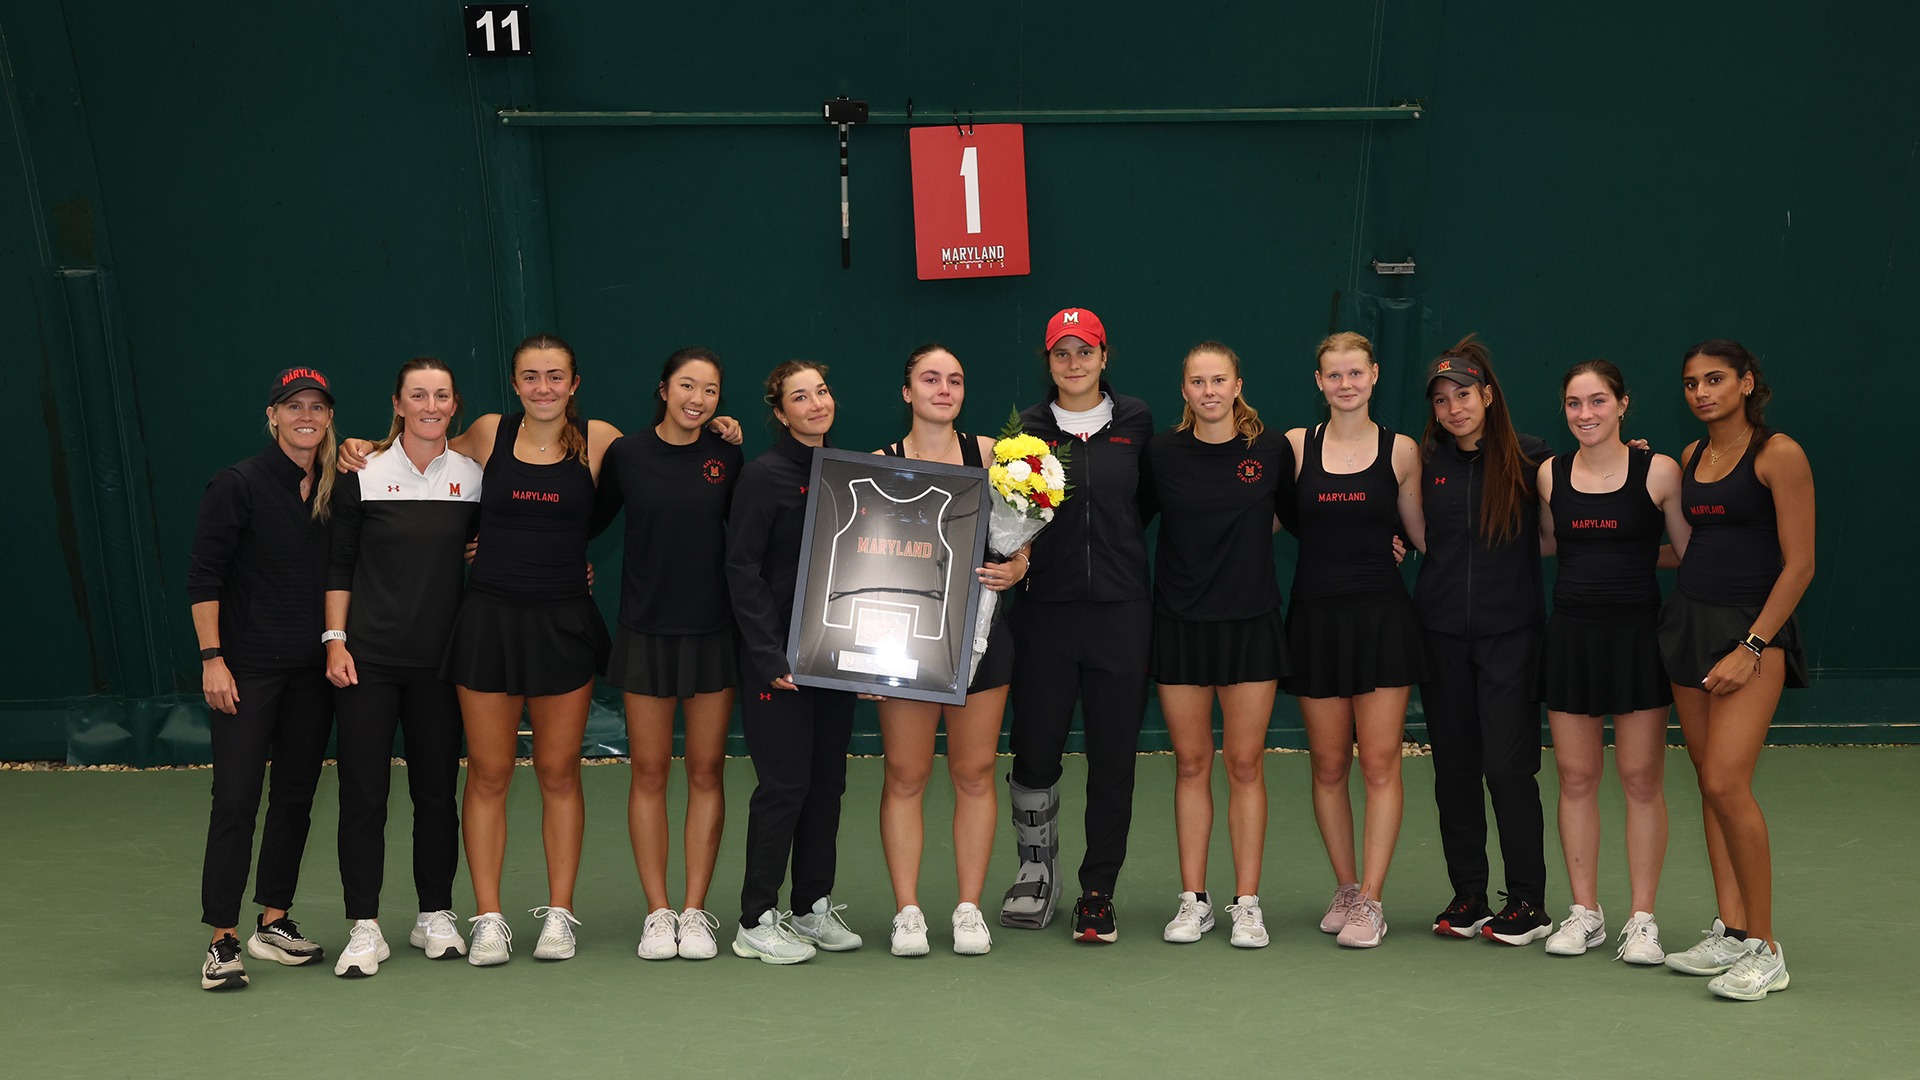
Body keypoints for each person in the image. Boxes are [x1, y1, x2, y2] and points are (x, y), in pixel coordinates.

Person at [1657, 340, 1813, 1001]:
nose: (1701, 392)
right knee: (1705, 778)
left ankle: (1768, 950)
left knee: (1726, 780)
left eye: (1715, 379)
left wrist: (1751, 645)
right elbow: (1698, 549)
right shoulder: (1692, 457)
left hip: (1753, 637)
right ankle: (1733, 929)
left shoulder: (1779, 455)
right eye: (1691, 382)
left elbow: (1799, 563)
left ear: (1748, 383)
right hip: (1689, 625)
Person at [999, 307, 1156, 943]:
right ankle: (1035, 873)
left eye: (1084, 351)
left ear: (1103, 356)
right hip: (1046, 616)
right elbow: (1006, 517)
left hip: (1123, 614)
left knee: (1114, 755)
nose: (1074, 363)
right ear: (1049, 361)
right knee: (1036, 751)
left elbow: (1147, 502)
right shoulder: (1025, 433)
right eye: (1061, 354)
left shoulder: (1137, 423)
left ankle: (1098, 890)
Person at [325, 357, 482, 977]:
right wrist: (335, 640)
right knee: (363, 793)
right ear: (398, 403)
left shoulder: (473, 477)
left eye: (441, 396)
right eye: (418, 395)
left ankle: (433, 914)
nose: (430, 405)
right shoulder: (361, 472)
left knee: (437, 795)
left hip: (441, 666)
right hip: (367, 663)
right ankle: (364, 926)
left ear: (454, 405)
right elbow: (338, 565)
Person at [188, 367, 339, 989]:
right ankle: (222, 941)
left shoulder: (338, 487)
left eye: (318, 407)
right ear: (272, 415)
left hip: (313, 674)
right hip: (246, 672)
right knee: (236, 799)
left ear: (330, 418)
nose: (307, 415)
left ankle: (274, 921)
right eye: (293, 405)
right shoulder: (238, 484)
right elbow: (204, 576)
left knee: (296, 798)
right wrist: (212, 658)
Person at [1534, 359, 1690, 964]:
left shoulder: (1660, 471)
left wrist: (1629, 558)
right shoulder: (1550, 474)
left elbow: (1686, 551)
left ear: (1623, 405)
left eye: (1598, 401)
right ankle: (1584, 913)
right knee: (1575, 778)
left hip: (1637, 642)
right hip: (1571, 638)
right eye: (1574, 404)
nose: (1586, 414)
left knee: (1639, 780)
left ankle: (1642, 920)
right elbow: (1548, 541)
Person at [871, 344, 1024, 957]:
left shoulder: (993, 455)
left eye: (955, 380)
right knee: (906, 775)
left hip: (981, 638)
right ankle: (908, 912)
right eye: (929, 379)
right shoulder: (877, 463)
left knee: (974, 772)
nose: (943, 389)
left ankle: (967, 908)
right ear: (906, 392)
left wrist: (1019, 567)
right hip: (903, 640)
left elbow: (1022, 535)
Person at [591, 347, 744, 962]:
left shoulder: (727, 454)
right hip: (645, 635)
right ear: (663, 389)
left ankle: (695, 912)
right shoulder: (627, 455)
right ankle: (658, 913)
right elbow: (583, 522)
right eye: (687, 385)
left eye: (710, 391)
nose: (698, 399)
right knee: (649, 772)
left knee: (706, 771)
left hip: (712, 634)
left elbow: (756, 532)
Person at [1283, 331, 1429, 949]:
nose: (1346, 384)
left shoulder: (1402, 451)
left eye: (1356, 373)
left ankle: (1372, 899)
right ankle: (1346, 886)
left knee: (1378, 763)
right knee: (1329, 764)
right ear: (1319, 382)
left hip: (1381, 622)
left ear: (1373, 375)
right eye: (1333, 375)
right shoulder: (1294, 446)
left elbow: (1423, 532)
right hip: (1315, 620)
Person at [1147, 342, 1293, 949]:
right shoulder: (1161, 454)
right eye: (1196, 382)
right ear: (1183, 391)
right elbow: (1123, 519)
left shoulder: (1271, 451)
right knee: (1190, 763)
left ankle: (1247, 904)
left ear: (1237, 386)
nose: (1208, 391)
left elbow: (1302, 515)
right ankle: (1194, 900)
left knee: (1243, 764)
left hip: (1250, 626)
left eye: (1219, 381)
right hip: (1179, 626)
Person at [1412, 336, 1554, 945]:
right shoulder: (1424, 463)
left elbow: (1571, 514)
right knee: (1454, 771)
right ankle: (1469, 893)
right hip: (1441, 640)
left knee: (1508, 768)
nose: (1454, 408)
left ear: (1488, 396)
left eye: (1464, 394)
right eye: (1442, 400)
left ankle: (1527, 901)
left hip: (1510, 641)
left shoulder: (1532, 460)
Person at [725, 360, 863, 964]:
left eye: (823, 392)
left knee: (826, 786)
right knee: (784, 786)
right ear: (780, 413)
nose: (816, 404)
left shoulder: (850, 472)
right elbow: (742, 570)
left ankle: (809, 907)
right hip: (778, 661)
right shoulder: (762, 476)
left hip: (833, 658)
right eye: (800, 397)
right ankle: (755, 918)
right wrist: (767, 655)